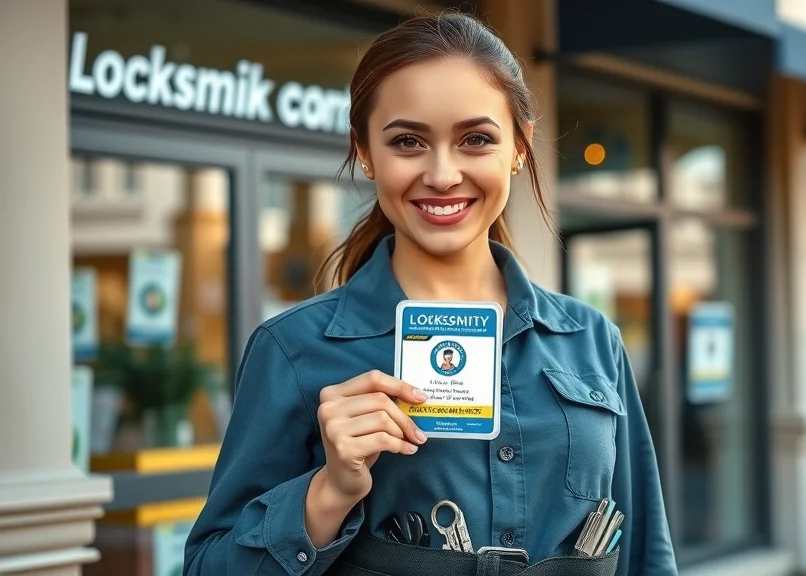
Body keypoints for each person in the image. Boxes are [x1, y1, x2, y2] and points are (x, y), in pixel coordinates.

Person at [184, 11, 676, 576]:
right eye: (408, 141)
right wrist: (326, 494)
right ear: (364, 151)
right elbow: (206, 566)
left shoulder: (591, 341)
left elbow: (644, 555)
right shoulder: (293, 350)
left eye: (476, 139)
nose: (443, 174)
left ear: (519, 146)